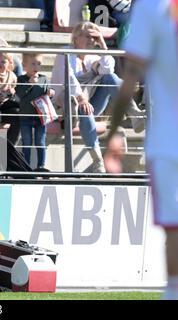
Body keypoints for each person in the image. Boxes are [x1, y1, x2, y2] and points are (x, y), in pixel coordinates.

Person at [104, 0, 178, 300]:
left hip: (166, 142)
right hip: (166, 141)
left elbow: (131, 76)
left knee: (173, 232)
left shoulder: (150, 7)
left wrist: (112, 133)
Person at [51, 21, 145, 173]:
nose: (92, 41)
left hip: (91, 103)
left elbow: (108, 69)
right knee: (83, 107)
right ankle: (97, 161)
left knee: (111, 78)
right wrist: (82, 99)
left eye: (94, 38)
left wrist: (103, 45)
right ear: (75, 38)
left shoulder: (93, 55)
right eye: (88, 37)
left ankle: (135, 115)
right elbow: (68, 78)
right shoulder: (65, 53)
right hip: (67, 108)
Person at [16, 53, 55, 170]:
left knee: (40, 141)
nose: (36, 67)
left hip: (41, 117)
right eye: (33, 64)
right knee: (26, 142)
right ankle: (26, 166)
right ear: (24, 65)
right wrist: (29, 84)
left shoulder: (43, 78)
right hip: (25, 116)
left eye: (39, 64)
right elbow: (20, 94)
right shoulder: (21, 79)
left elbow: (48, 91)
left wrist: (51, 92)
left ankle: (41, 166)